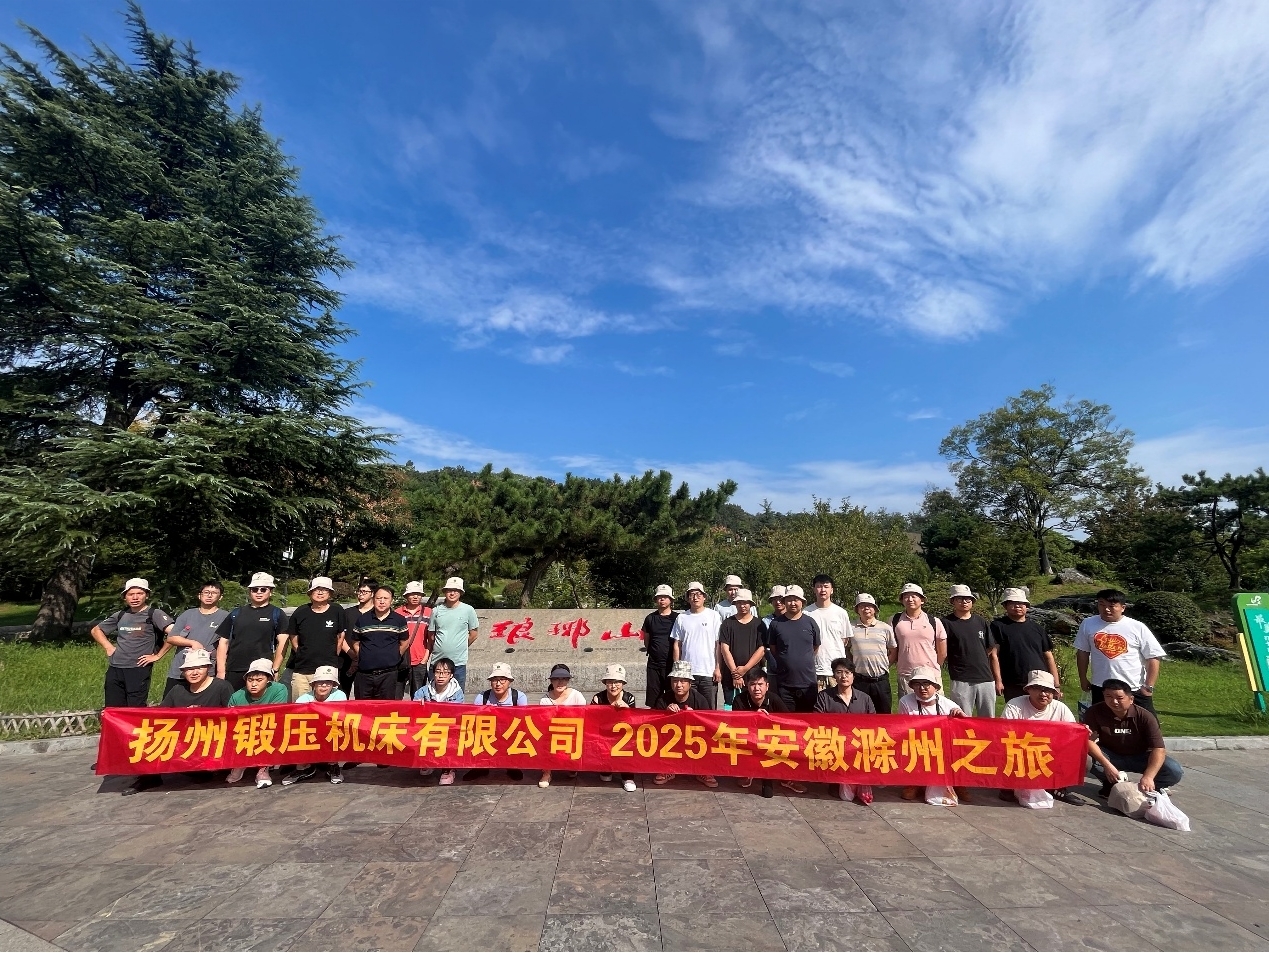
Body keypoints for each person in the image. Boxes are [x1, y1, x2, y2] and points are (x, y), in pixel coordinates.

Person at [123, 649, 234, 796]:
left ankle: (204, 771)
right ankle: (149, 777)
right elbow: (160, 715)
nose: (194, 672)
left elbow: (233, 717)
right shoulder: (177, 690)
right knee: (148, 733)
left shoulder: (221, 686)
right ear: (183, 671)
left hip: (210, 739)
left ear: (208, 667)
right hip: (183, 739)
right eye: (189, 669)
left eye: (199, 667)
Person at [1084, 678, 1183, 797]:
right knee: (1084, 759)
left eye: (1119, 698)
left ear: (1131, 699)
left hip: (1141, 757)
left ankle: (1149, 788)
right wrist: (1107, 766)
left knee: (1174, 770)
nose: (1114, 701)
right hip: (1111, 756)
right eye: (1108, 696)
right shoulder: (1094, 711)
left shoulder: (1145, 716)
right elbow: (1088, 741)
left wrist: (1148, 776)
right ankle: (1110, 783)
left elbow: (1159, 749)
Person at [1075, 589, 1166, 715]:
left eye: (1112, 606)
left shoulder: (1137, 627)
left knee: (1146, 722)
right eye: (1102, 604)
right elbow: (1082, 653)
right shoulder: (1088, 624)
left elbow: (1153, 656)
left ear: (1123, 608)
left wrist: (1149, 686)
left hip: (1133, 687)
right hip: (1101, 687)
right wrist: (1083, 678)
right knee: (1101, 723)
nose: (1106, 609)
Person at [92, 577, 176, 708]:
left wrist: (158, 656)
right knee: (113, 707)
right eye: (131, 594)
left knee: (135, 707)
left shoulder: (154, 614)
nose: (135, 597)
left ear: (147, 595)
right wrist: (108, 647)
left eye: (140, 593)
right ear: (125, 597)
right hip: (115, 667)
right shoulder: (120, 615)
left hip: (138, 668)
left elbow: (175, 633)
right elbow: (96, 630)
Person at [1000, 670, 1079, 806]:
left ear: (1053, 693)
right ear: (1029, 690)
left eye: (1047, 690)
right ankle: (1008, 786)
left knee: (1084, 758)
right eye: (1037, 689)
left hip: (1049, 753)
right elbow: (1003, 733)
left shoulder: (1060, 708)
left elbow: (1073, 732)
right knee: (1005, 751)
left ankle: (1058, 786)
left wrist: (1083, 731)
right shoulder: (1015, 705)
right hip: (1022, 751)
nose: (1043, 694)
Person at [897, 665, 964, 803]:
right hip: (916, 744)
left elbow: (964, 731)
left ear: (935, 686)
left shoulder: (949, 705)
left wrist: (961, 717)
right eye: (917, 684)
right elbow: (902, 727)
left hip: (942, 747)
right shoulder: (905, 702)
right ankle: (914, 783)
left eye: (926, 684)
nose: (922, 688)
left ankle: (958, 783)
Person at [813, 657, 876, 804]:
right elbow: (817, 722)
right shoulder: (824, 697)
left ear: (853, 675)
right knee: (845, 796)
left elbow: (874, 724)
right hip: (835, 744)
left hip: (859, 745)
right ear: (834, 675)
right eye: (839, 672)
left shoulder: (864, 698)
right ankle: (838, 781)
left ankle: (861, 782)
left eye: (847, 672)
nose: (843, 676)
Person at [276, 577, 346, 703]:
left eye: (324, 589)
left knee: (328, 709)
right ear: (310, 593)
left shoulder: (337, 610)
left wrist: (332, 655)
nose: (320, 592)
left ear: (330, 593)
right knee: (301, 707)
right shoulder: (301, 612)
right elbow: (293, 637)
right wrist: (302, 653)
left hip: (327, 669)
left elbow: (340, 636)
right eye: (316, 589)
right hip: (303, 669)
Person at [731, 668, 800, 797]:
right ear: (747, 686)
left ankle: (785, 777)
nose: (756, 688)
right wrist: (754, 718)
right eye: (753, 684)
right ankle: (747, 772)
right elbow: (735, 724)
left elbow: (788, 721)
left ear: (767, 686)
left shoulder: (774, 699)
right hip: (749, 738)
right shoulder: (739, 700)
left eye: (760, 684)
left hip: (773, 740)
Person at [216, 572, 287, 692]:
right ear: (250, 591)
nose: (258, 592)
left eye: (263, 589)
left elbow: (283, 642)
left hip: (262, 670)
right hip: (234, 669)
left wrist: (275, 668)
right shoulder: (236, 613)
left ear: (270, 592)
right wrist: (221, 670)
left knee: (259, 703)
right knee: (233, 702)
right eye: (254, 589)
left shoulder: (277, 614)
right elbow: (223, 642)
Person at [653, 660, 717, 788]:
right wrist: (665, 714)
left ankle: (703, 770)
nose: (679, 685)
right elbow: (653, 724)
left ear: (690, 683)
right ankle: (667, 768)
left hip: (695, 739)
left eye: (683, 681)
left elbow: (710, 726)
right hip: (672, 740)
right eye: (675, 681)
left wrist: (695, 717)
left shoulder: (700, 700)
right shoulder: (663, 700)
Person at [941, 584, 1001, 719]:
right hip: (961, 678)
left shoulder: (980, 621)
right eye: (960, 599)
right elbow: (942, 649)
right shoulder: (946, 623)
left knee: (988, 719)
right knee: (961, 717)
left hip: (985, 677)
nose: (964, 602)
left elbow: (990, 647)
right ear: (953, 601)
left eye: (968, 599)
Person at [162, 581, 229, 699]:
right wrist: (192, 643)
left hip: (205, 671)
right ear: (199, 595)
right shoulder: (188, 614)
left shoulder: (225, 617)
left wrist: (220, 672)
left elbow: (224, 645)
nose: (209, 595)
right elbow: (172, 637)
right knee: (171, 705)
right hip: (180, 669)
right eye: (206, 592)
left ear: (220, 597)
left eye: (214, 593)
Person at [227, 658, 289, 789]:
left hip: (269, 728)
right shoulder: (237, 696)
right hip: (244, 730)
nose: (254, 684)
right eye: (250, 680)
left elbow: (276, 715)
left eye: (259, 680)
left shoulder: (279, 689)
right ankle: (240, 763)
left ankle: (263, 768)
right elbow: (230, 721)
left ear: (268, 680)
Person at [282, 665, 348, 786]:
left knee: (337, 730)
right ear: (314, 684)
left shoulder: (340, 695)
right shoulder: (303, 699)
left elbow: (341, 717)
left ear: (333, 685)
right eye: (320, 682)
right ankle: (304, 768)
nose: (324, 686)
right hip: (310, 732)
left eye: (328, 683)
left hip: (330, 730)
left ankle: (333, 766)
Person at [991, 588, 1060, 702]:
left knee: (1042, 711)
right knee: (1016, 712)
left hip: (1041, 681)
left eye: (1021, 603)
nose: (1017, 606)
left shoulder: (1037, 628)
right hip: (1014, 682)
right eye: (1013, 603)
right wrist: (998, 681)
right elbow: (993, 655)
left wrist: (1056, 684)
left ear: (1027, 606)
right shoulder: (997, 626)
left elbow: (1048, 656)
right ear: (1005, 606)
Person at [466, 663, 527, 783]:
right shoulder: (482, 697)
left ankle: (512, 766)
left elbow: (522, 721)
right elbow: (475, 719)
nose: (498, 684)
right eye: (494, 680)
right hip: (488, 731)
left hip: (510, 731)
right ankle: (480, 767)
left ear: (509, 681)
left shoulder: (519, 697)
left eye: (502, 680)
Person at [348, 585, 410, 701]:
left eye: (385, 598)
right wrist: (364, 655)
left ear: (391, 600)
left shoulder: (399, 620)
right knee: (362, 707)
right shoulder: (363, 619)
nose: (382, 602)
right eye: (378, 598)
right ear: (373, 599)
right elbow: (355, 641)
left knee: (386, 708)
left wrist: (394, 656)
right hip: (364, 674)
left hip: (388, 675)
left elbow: (404, 642)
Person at [766, 584, 820, 712]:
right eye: (789, 600)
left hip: (808, 682)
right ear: (784, 602)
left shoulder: (810, 622)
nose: (793, 603)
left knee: (808, 719)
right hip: (785, 683)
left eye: (796, 600)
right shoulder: (776, 624)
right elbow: (773, 648)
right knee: (787, 718)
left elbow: (815, 646)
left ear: (802, 602)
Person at [413, 656, 465, 786]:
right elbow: (413, 710)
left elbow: (457, 714)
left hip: (448, 728)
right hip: (429, 727)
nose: (441, 676)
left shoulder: (457, 693)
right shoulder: (423, 691)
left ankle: (448, 768)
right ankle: (428, 761)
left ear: (451, 675)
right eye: (438, 672)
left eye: (445, 673)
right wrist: (419, 705)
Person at [670, 581, 722, 708]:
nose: (695, 597)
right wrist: (677, 668)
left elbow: (718, 644)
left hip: (708, 672)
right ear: (688, 598)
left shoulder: (714, 616)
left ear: (704, 597)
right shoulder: (681, 617)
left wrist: (718, 668)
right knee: (687, 707)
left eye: (699, 594)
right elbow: (677, 644)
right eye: (692, 594)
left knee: (709, 709)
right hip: (687, 672)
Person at [892, 583, 947, 696]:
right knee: (908, 706)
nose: (910, 599)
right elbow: (892, 648)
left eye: (914, 596)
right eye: (906, 596)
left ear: (922, 600)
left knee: (934, 706)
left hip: (931, 675)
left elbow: (942, 652)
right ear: (902, 600)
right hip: (906, 675)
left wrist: (933, 667)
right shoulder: (894, 620)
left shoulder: (933, 621)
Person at [590, 663, 638, 793]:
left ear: (623, 684)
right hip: (604, 735)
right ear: (605, 683)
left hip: (624, 736)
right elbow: (591, 720)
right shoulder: (598, 698)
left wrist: (626, 709)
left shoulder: (629, 698)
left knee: (630, 745)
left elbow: (635, 721)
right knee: (605, 777)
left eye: (617, 682)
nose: (613, 686)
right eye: (610, 682)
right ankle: (606, 768)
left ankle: (627, 776)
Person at [427, 577, 480, 692]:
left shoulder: (468, 610)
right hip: (437, 662)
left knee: (456, 696)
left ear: (460, 593)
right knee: (434, 695)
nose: (452, 593)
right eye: (449, 590)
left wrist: (460, 645)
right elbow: (431, 635)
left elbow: (474, 634)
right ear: (445, 592)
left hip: (458, 663)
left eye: (456, 590)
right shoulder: (436, 610)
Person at [538, 664, 585, 788]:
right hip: (552, 735)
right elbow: (543, 723)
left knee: (572, 769)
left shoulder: (577, 696)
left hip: (572, 734)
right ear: (551, 681)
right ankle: (546, 772)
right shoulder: (545, 700)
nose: (560, 682)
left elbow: (584, 719)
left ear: (568, 680)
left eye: (564, 679)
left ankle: (571, 764)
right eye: (556, 679)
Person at [718, 588, 765, 709]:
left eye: (745, 603)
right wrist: (736, 674)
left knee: (752, 707)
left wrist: (745, 668)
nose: (742, 606)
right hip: (730, 675)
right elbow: (724, 648)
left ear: (750, 604)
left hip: (753, 676)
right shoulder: (727, 623)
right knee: (730, 706)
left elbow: (761, 649)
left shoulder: (759, 624)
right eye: (739, 602)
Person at [850, 594, 897, 714]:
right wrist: (852, 664)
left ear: (875, 609)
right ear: (857, 609)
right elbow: (846, 648)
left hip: (880, 681)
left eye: (869, 606)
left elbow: (893, 650)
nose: (866, 608)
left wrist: (886, 664)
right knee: (860, 715)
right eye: (862, 606)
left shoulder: (885, 628)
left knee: (884, 715)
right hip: (859, 680)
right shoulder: (850, 627)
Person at [806, 574, 852, 692]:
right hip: (814, 670)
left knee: (839, 701)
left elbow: (845, 640)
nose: (823, 590)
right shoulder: (806, 613)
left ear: (832, 590)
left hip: (837, 671)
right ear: (814, 589)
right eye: (819, 586)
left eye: (826, 586)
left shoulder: (841, 613)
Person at [641, 584, 679, 708]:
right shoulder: (650, 618)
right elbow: (647, 639)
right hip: (654, 664)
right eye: (659, 597)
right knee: (654, 698)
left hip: (671, 664)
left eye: (665, 597)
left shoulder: (678, 618)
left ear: (671, 600)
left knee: (672, 698)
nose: (662, 599)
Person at [398, 581, 434, 699]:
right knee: (396, 695)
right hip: (400, 660)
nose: (415, 596)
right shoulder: (397, 613)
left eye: (418, 594)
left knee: (418, 697)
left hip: (420, 661)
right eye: (412, 594)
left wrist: (425, 658)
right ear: (406, 595)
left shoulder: (429, 612)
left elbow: (431, 638)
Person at [340, 579, 376, 695]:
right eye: (359, 591)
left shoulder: (377, 613)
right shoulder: (347, 613)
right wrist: (351, 653)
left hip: (369, 661)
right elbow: (340, 635)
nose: (361, 594)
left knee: (364, 694)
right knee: (342, 693)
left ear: (373, 593)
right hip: (346, 658)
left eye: (364, 592)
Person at [762, 585, 787, 689]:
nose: (778, 602)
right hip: (773, 669)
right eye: (774, 599)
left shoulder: (795, 619)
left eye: (780, 598)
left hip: (791, 669)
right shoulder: (765, 621)